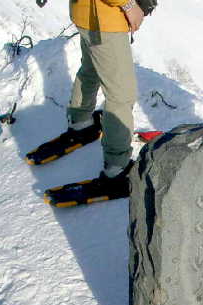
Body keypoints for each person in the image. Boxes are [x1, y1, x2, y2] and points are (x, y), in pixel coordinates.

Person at [29, 0, 145, 191]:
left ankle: (80, 121)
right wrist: (128, 4)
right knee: (121, 94)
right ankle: (117, 168)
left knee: (91, 68)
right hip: (105, 18)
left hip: (87, 14)